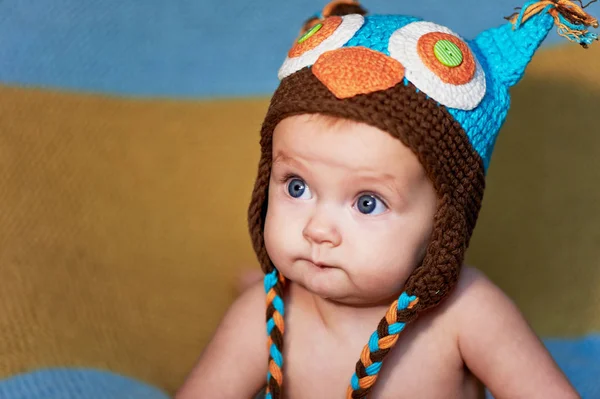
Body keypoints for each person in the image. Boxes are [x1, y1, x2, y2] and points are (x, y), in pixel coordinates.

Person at [176, 1, 598, 398]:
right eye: (297, 187)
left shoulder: (467, 313)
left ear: (443, 226)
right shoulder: (266, 319)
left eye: (366, 203)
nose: (317, 230)